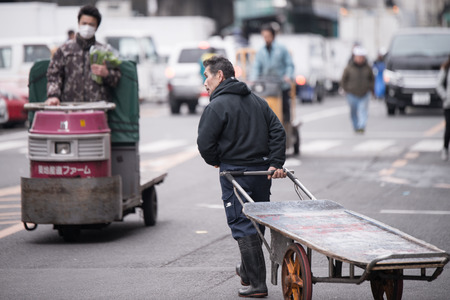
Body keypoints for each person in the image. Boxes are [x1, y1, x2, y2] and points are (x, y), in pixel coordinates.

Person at [197, 56, 286, 298]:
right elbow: (277, 131)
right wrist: (275, 163)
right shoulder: (258, 101)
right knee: (256, 222)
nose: (205, 82)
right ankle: (246, 271)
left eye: (207, 76)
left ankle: (257, 285)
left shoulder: (216, 107)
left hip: (234, 173)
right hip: (260, 172)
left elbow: (205, 144)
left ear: (220, 76)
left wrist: (217, 160)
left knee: (242, 223)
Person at [45, 5, 121, 105]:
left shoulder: (105, 51)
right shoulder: (64, 50)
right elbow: (54, 75)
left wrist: (106, 74)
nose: (87, 27)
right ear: (79, 23)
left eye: (91, 24)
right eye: (84, 23)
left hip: (97, 109)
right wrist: (53, 96)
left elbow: (117, 78)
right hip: (70, 108)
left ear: (96, 27)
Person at [250, 23, 294, 123]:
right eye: (264, 36)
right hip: (266, 86)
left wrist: (288, 76)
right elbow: (256, 67)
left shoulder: (282, 49)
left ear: (273, 35)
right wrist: (253, 80)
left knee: (284, 107)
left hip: (281, 84)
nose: (266, 38)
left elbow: (289, 65)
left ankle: (286, 126)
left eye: (267, 36)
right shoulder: (261, 51)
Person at [340, 46, 374, 133]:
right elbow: (343, 79)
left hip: (364, 93)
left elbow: (372, 79)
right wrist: (345, 89)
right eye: (358, 57)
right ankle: (356, 126)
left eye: (361, 57)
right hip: (351, 93)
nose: (360, 59)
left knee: (363, 110)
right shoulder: (349, 68)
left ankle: (361, 126)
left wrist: (371, 89)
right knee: (353, 111)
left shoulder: (367, 68)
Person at [436, 55, 450, 161]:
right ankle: (445, 148)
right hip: (448, 104)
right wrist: (445, 97)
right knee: (448, 128)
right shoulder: (446, 68)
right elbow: (438, 85)